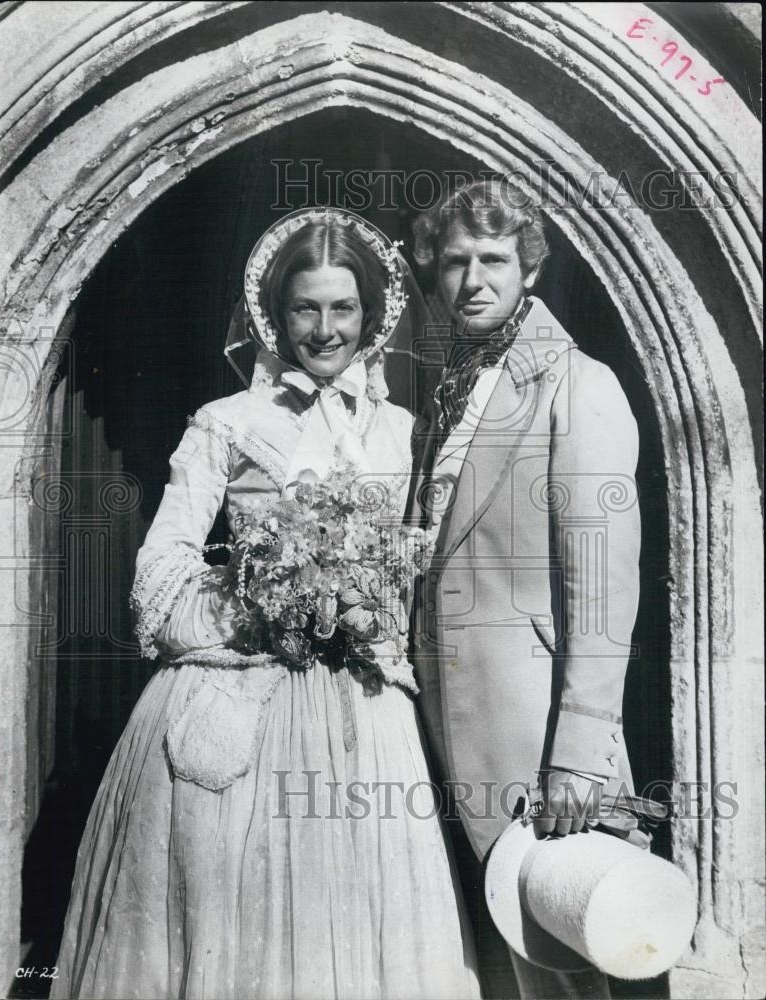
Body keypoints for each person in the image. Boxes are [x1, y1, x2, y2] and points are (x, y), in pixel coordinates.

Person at [53, 209, 480, 1000]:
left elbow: (422, 575)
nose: (324, 330)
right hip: (245, 699)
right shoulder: (228, 423)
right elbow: (158, 574)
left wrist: (364, 603)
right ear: (275, 317)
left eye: (341, 308)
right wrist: (265, 603)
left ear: (371, 314)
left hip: (364, 716)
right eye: (305, 309)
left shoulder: (401, 433)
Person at [408, 180, 641, 998]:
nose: (473, 279)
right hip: (439, 729)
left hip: (535, 738)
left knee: (564, 968)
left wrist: (577, 755)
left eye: (494, 260)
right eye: (456, 262)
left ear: (528, 271)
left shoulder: (578, 385)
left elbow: (603, 588)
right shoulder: (449, 386)